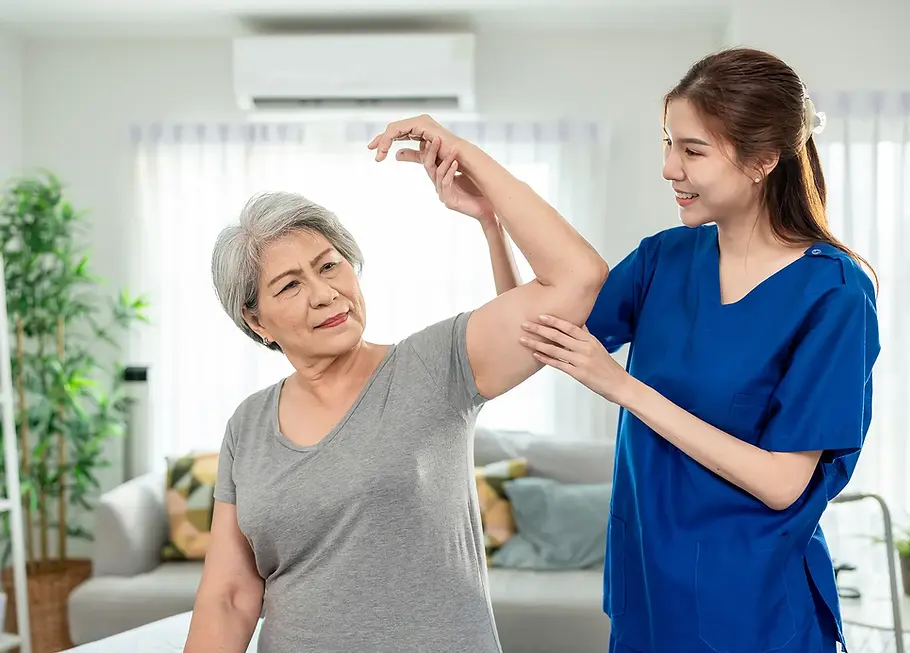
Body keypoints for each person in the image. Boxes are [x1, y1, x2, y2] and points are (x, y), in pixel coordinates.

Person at [477, 49, 880, 652]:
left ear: (763, 160)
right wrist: (492, 225)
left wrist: (620, 385)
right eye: (668, 144)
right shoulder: (664, 259)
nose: (668, 168)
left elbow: (781, 483)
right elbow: (533, 334)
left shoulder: (834, 294)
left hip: (751, 607)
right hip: (648, 591)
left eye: (692, 150)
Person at [181, 114, 609, 653]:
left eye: (330, 265)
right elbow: (230, 596)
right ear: (256, 321)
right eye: (290, 285)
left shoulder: (431, 366)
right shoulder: (248, 424)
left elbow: (578, 278)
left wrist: (478, 183)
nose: (324, 293)